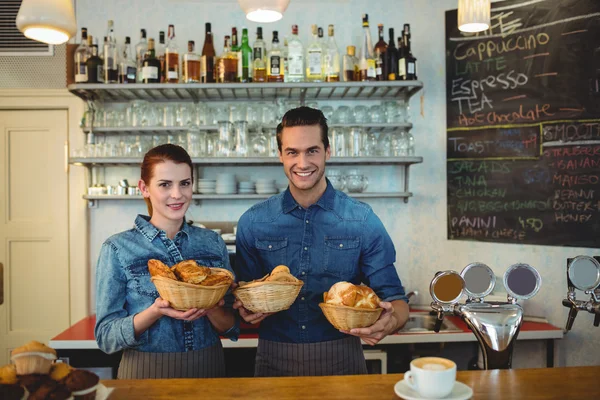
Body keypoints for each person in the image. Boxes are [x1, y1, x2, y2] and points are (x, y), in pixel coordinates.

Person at [234, 107, 409, 377]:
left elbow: (396, 301)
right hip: (273, 362)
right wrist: (244, 310)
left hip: (343, 362)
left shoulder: (362, 220)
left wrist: (390, 322)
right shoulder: (253, 222)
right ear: (280, 154)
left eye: (312, 150)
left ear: (328, 151)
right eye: (292, 152)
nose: (302, 163)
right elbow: (245, 293)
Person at [95, 144, 238, 379]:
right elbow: (106, 337)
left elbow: (231, 327)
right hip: (145, 374)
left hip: (209, 370)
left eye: (185, 183)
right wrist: (155, 311)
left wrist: (211, 308)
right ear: (144, 188)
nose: (177, 194)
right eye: (165, 185)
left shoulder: (212, 242)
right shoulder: (117, 248)